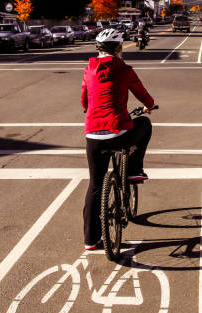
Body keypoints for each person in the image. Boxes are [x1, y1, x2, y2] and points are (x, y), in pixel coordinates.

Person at [80, 28, 155, 251]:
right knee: (144, 124)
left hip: (93, 135)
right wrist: (148, 106)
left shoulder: (89, 70)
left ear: (98, 49)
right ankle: (133, 168)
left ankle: (90, 240)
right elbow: (144, 96)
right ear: (120, 49)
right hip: (118, 133)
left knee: (95, 185)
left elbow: (84, 101)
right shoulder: (124, 69)